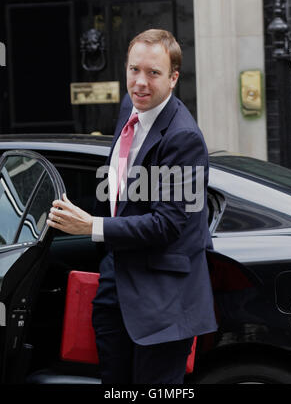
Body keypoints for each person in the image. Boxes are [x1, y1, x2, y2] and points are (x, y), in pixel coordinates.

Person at [47, 29, 217, 384]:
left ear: (173, 78)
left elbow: (166, 225)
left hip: (163, 304)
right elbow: (118, 188)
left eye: (153, 73)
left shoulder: (183, 138)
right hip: (116, 290)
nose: (140, 82)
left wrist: (91, 226)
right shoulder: (130, 108)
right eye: (134, 70)